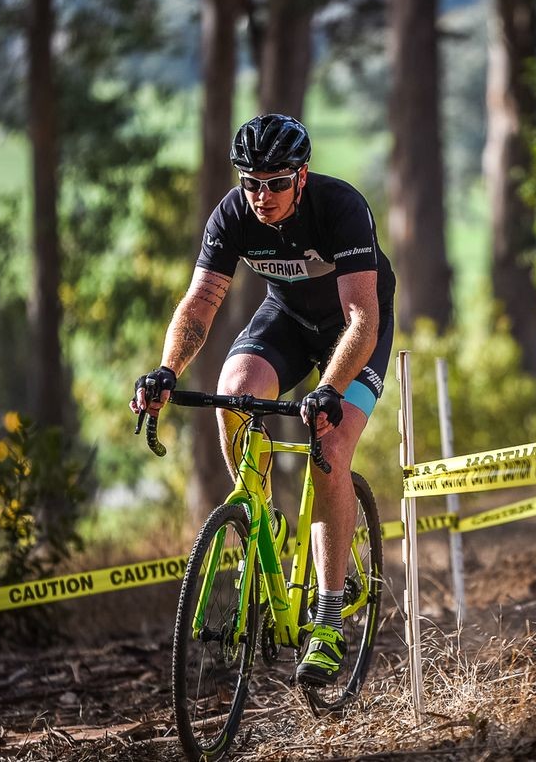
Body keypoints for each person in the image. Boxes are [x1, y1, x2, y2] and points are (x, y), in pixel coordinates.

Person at [131, 114, 395, 685]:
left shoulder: (340, 207)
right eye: (250, 181)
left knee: (330, 446)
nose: (262, 195)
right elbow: (200, 302)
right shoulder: (231, 215)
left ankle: (326, 617)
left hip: (356, 328)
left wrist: (327, 389)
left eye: (276, 182)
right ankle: (261, 516)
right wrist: (166, 369)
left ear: (301, 177)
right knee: (234, 394)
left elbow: (361, 318)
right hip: (289, 320)